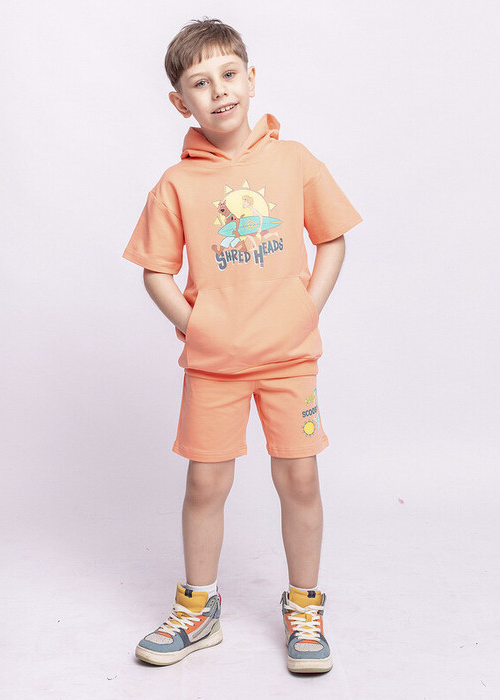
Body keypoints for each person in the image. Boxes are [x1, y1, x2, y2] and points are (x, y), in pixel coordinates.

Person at [123, 17, 362, 674]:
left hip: (289, 361)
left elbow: (333, 238)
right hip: (214, 367)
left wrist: (305, 308)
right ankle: (198, 609)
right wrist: (197, 324)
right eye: (200, 83)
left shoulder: (294, 160)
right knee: (205, 483)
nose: (219, 90)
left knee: (299, 477)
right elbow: (155, 270)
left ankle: (304, 606)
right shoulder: (176, 184)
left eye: (228, 74)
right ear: (181, 103)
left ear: (251, 79)